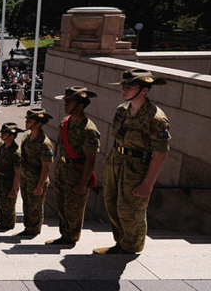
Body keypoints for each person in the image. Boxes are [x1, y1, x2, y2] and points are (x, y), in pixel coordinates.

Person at [94, 69, 170, 255]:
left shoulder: (156, 118)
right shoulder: (122, 110)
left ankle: (131, 248)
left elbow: (160, 154)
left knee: (131, 210)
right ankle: (121, 243)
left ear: (144, 90)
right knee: (112, 204)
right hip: (116, 161)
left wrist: (147, 184)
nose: (124, 90)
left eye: (130, 87)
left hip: (136, 166)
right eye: (123, 86)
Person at [47, 86, 101, 246]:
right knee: (62, 205)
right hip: (62, 170)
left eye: (69, 102)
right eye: (65, 101)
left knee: (74, 209)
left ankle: (71, 238)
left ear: (80, 105)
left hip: (76, 173)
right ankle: (64, 236)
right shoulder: (65, 123)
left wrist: (83, 183)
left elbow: (90, 160)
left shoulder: (88, 130)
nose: (65, 105)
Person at [18, 108, 55, 237]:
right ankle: (28, 228)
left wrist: (40, 186)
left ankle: (33, 231)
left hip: (37, 180)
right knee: (27, 205)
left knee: (35, 207)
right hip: (26, 178)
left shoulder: (44, 144)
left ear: (38, 124)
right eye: (26, 120)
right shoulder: (27, 137)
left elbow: (46, 167)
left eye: (30, 121)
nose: (26, 122)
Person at [0, 123, 23, 231]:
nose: (2, 134)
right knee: (0, 203)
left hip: (9, 181)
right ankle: (2, 223)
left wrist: (14, 189)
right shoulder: (1, 146)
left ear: (12, 136)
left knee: (8, 205)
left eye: (5, 133)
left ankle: (8, 225)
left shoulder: (16, 152)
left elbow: (17, 173)